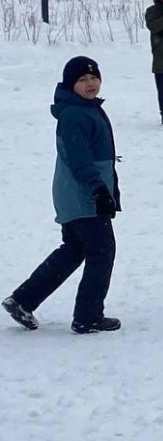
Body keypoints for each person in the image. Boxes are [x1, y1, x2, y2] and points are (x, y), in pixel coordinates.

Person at [3, 57, 121, 334]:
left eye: (93, 78)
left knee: (74, 249)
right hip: (84, 196)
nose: (90, 84)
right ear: (71, 85)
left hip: (76, 195)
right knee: (102, 251)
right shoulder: (75, 115)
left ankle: (22, 300)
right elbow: (80, 160)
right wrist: (99, 189)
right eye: (82, 80)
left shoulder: (84, 109)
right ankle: (88, 316)